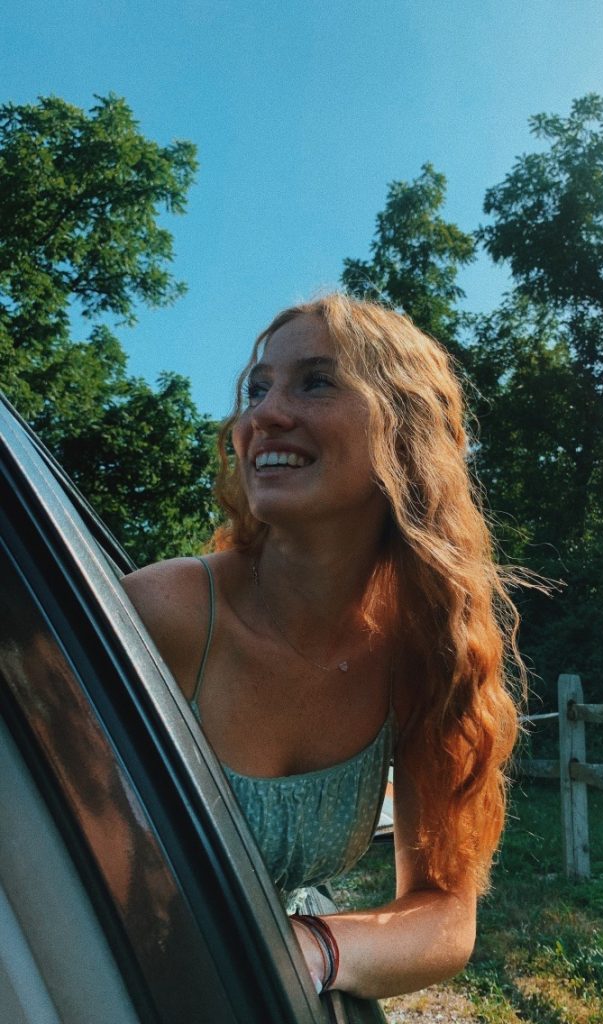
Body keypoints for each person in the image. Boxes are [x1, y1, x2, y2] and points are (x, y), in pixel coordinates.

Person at [122, 293, 525, 1000]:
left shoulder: (423, 658)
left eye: (314, 381)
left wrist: (312, 949)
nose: (262, 415)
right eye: (257, 388)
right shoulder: (166, 614)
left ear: (404, 435)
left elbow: (445, 917)